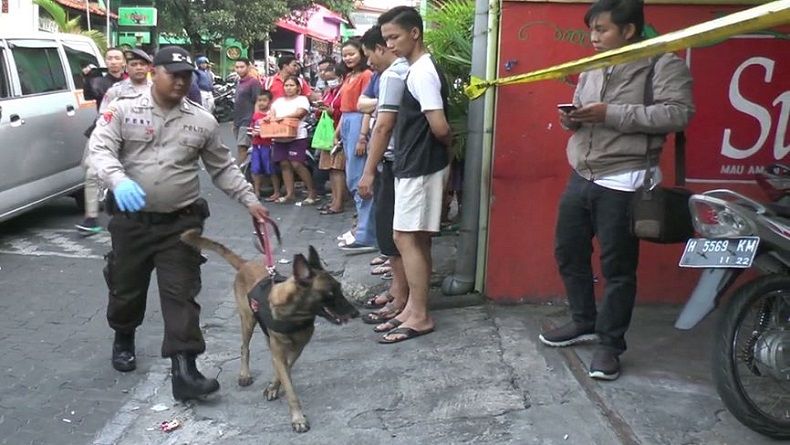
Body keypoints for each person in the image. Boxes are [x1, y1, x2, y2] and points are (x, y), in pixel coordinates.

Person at [88, 46, 269, 401]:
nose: (182, 81)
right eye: (174, 74)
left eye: (187, 75)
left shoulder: (201, 120)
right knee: (127, 288)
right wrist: (118, 180)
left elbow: (223, 167)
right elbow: (100, 149)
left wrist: (250, 200)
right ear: (155, 72)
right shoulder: (122, 109)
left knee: (181, 293)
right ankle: (124, 334)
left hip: (181, 224)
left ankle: (184, 370)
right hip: (131, 221)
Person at [538, 0, 694, 380]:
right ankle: (583, 321)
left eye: (602, 29)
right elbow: (580, 112)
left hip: (626, 181)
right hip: (583, 174)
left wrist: (611, 113)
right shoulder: (592, 65)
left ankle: (610, 345)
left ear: (628, 30)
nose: (593, 37)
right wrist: (570, 119)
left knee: (618, 268)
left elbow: (679, 113)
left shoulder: (662, 63)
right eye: (591, 30)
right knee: (568, 252)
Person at [378, 7, 452, 343]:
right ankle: (412, 309)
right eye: (386, 39)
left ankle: (419, 314)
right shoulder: (416, 68)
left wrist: (445, 150)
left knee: (406, 238)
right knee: (414, 238)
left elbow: (439, 125)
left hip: (421, 165)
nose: (390, 44)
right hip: (416, 163)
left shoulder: (422, 71)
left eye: (394, 37)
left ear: (415, 33)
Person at [357, 25, 411, 327]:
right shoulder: (395, 73)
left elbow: (383, 126)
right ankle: (397, 290)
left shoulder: (394, 74)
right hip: (396, 161)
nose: (369, 63)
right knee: (390, 229)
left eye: (369, 55)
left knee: (395, 232)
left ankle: (402, 296)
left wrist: (367, 172)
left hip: (395, 161)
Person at [75, 48, 127, 235]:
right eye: (110, 58)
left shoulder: (131, 83)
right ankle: (91, 218)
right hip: (102, 131)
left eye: (117, 58)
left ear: (123, 63)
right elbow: (89, 95)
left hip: (127, 134)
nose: (113, 61)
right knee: (89, 170)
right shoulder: (99, 80)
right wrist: (87, 77)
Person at [334, 38, 376, 254]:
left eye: (351, 53)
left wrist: (362, 136)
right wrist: (338, 132)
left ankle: (366, 235)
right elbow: (344, 109)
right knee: (352, 178)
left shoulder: (367, 75)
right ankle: (361, 228)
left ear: (361, 52)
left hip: (360, 123)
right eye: (344, 54)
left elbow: (366, 109)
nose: (348, 58)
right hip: (349, 122)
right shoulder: (350, 76)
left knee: (360, 180)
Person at [268, 76, 318, 205]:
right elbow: (271, 113)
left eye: (291, 85)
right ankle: (290, 194)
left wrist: (282, 117)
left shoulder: (302, 100)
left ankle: (312, 191)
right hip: (279, 136)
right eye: (286, 85)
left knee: (296, 163)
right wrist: (273, 118)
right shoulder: (278, 101)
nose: (288, 88)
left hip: (297, 136)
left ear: (298, 88)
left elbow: (300, 113)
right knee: (284, 164)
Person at [316, 64, 347, 215]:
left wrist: (330, 110)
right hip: (328, 132)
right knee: (331, 168)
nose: (329, 82)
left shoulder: (344, 92)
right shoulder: (330, 91)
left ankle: (338, 203)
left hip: (339, 133)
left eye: (332, 79)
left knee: (337, 168)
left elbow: (344, 112)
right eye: (327, 79)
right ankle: (334, 200)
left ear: (341, 77)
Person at [250, 91, 281, 201]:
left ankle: (277, 192)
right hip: (256, 144)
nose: (261, 103)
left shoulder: (271, 116)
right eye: (259, 100)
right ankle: (256, 191)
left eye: (264, 100)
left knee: (271, 169)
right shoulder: (256, 115)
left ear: (270, 102)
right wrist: (253, 132)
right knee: (255, 169)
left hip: (268, 145)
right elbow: (252, 127)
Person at [232, 58, 261, 167]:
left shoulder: (253, 82)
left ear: (248, 67)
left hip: (247, 120)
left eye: (242, 67)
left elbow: (258, 101)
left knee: (242, 148)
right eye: (237, 67)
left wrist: (255, 120)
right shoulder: (239, 82)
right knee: (243, 148)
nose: (239, 70)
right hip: (238, 121)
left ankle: (241, 175)